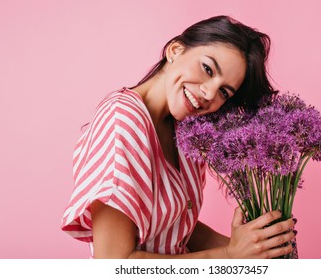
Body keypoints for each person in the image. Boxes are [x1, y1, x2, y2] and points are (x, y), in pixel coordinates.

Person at [61, 15, 296, 259]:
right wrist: (229, 255)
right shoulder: (122, 121)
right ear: (175, 50)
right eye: (207, 69)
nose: (209, 93)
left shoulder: (187, 132)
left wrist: (259, 247)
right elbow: (113, 263)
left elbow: (176, 228)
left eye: (224, 92)